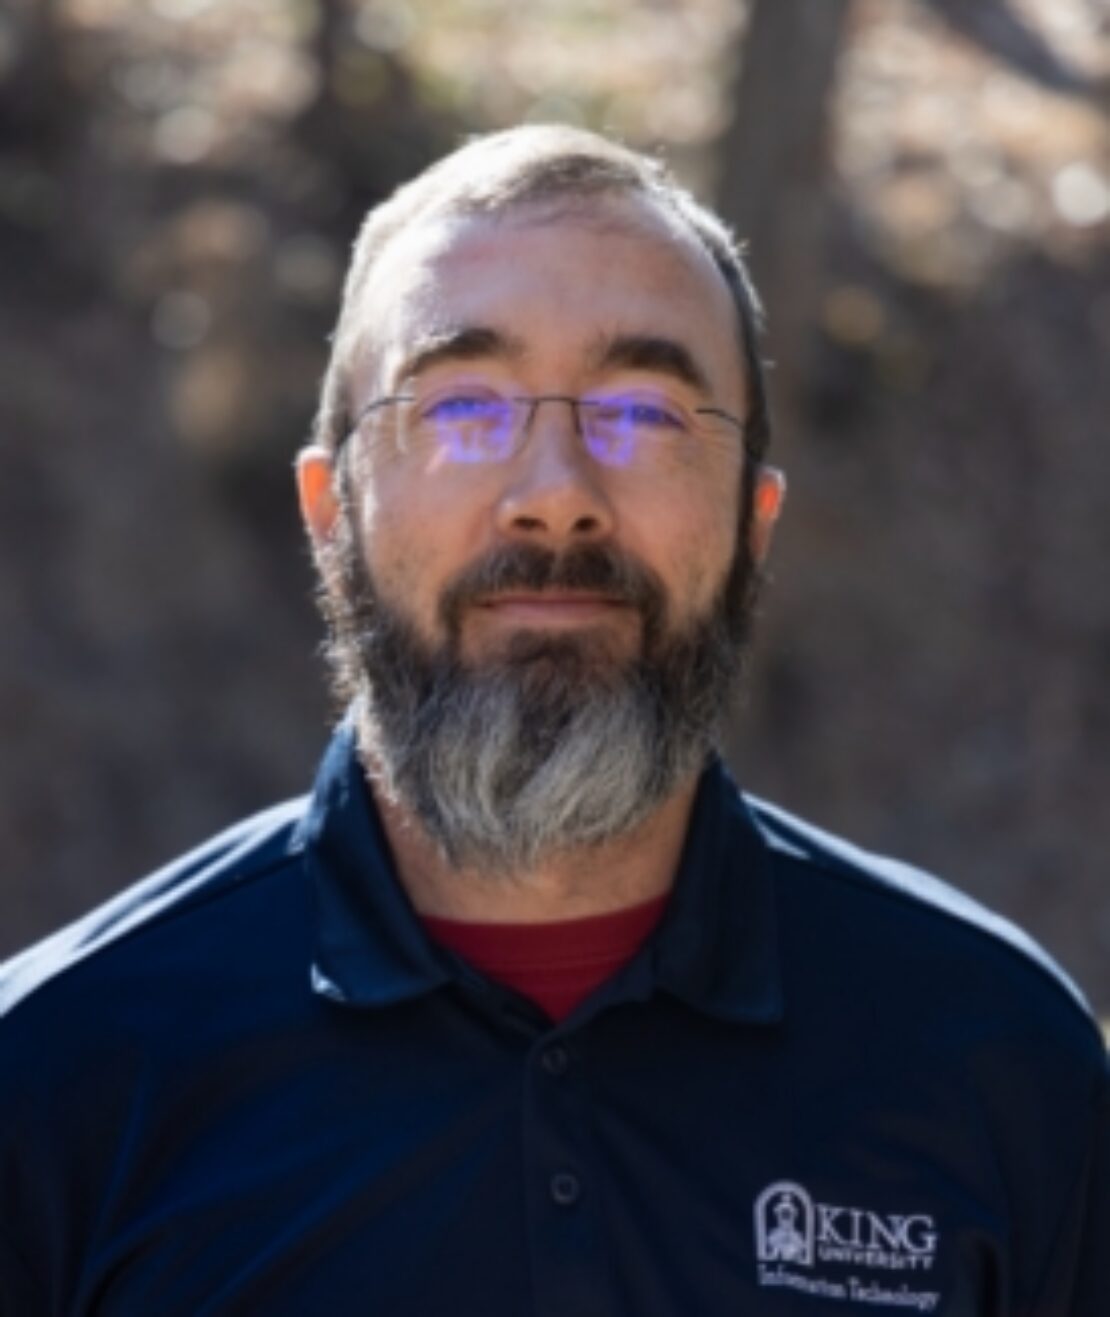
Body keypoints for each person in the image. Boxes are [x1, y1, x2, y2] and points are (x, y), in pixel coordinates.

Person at [1, 125, 1106, 1316]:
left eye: (643, 416)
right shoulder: (57, 1070)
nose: (557, 499)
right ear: (332, 512)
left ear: (754, 522)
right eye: (465, 409)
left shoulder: (998, 1058)